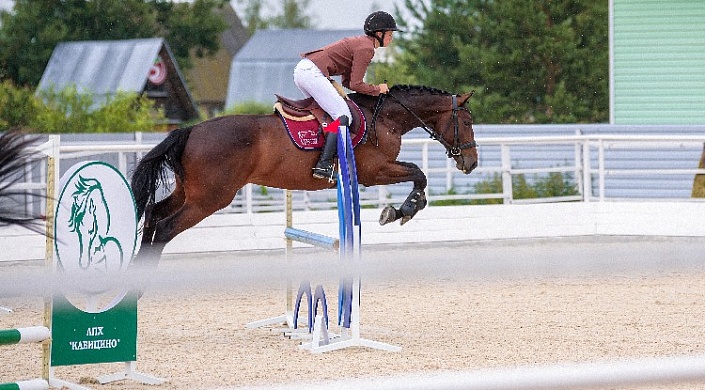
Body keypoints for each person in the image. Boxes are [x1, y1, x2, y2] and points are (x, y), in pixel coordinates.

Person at [294, 10, 400, 182]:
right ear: (379, 34)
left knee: (326, 117)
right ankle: (324, 163)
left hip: (304, 71)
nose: (391, 38)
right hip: (312, 73)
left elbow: (349, 83)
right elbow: (357, 85)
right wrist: (377, 89)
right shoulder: (367, 49)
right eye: (390, 34)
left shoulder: (360, 43)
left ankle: (317, 152)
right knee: (343, 116)